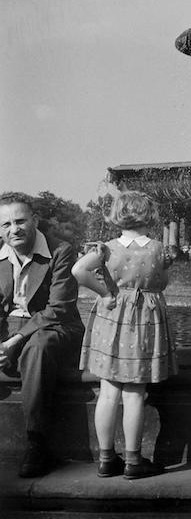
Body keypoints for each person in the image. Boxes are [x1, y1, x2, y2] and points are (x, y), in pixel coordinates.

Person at [72, 191, 177, 479]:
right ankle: (133, 461)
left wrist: (105, 294)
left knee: (108, 392)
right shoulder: (159, 249)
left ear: (117, 216)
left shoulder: (105, 248)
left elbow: (78, 271)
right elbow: (162, 284)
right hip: (144, 320)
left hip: (112, 315)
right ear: (150, 216)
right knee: (134, 394)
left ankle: (106, 460)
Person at [0, 193, 84, 477]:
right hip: (11, 328)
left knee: (37, 347)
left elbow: (58, 308)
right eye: (6, 224)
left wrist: (13, 341)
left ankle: (37, 443)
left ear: (35, 220)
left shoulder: (61, 251)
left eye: (20, 221)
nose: (14, 229)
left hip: (56, 326)